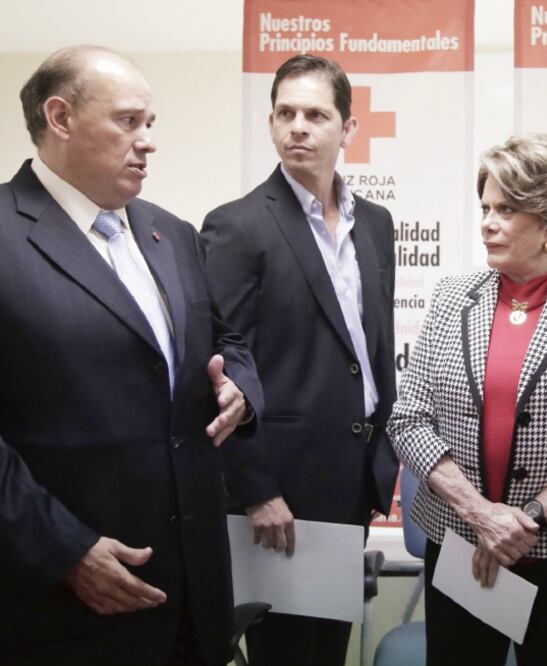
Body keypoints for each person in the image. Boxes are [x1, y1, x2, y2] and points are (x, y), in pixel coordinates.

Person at [0, 46, 264, 666]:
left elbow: (226, 341)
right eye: (128, 121)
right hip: (65, 599)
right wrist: (64, 550)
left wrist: (242, 390)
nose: (147, 141)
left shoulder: (169, 232)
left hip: (192, 593)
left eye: (151, 124)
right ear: (60, 117)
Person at [388, 134, 547, 666]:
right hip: (463, 546)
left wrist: (525, 519)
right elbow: (409, 419)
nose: (487, 222)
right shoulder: (450, 298)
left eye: (507, 209)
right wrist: (482, 515)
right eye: (485, 207)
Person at [200, 54, 397, 666]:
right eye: (285, 113)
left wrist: (379, 459)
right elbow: (220, 369)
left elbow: (372, 350)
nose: (298, 127)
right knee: (287, 653)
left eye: (316, 114)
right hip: (279, 489)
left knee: (327, 651)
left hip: (352, 476)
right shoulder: (236, 227)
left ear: (348, 130)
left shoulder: (376, 225)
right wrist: (256, 489)